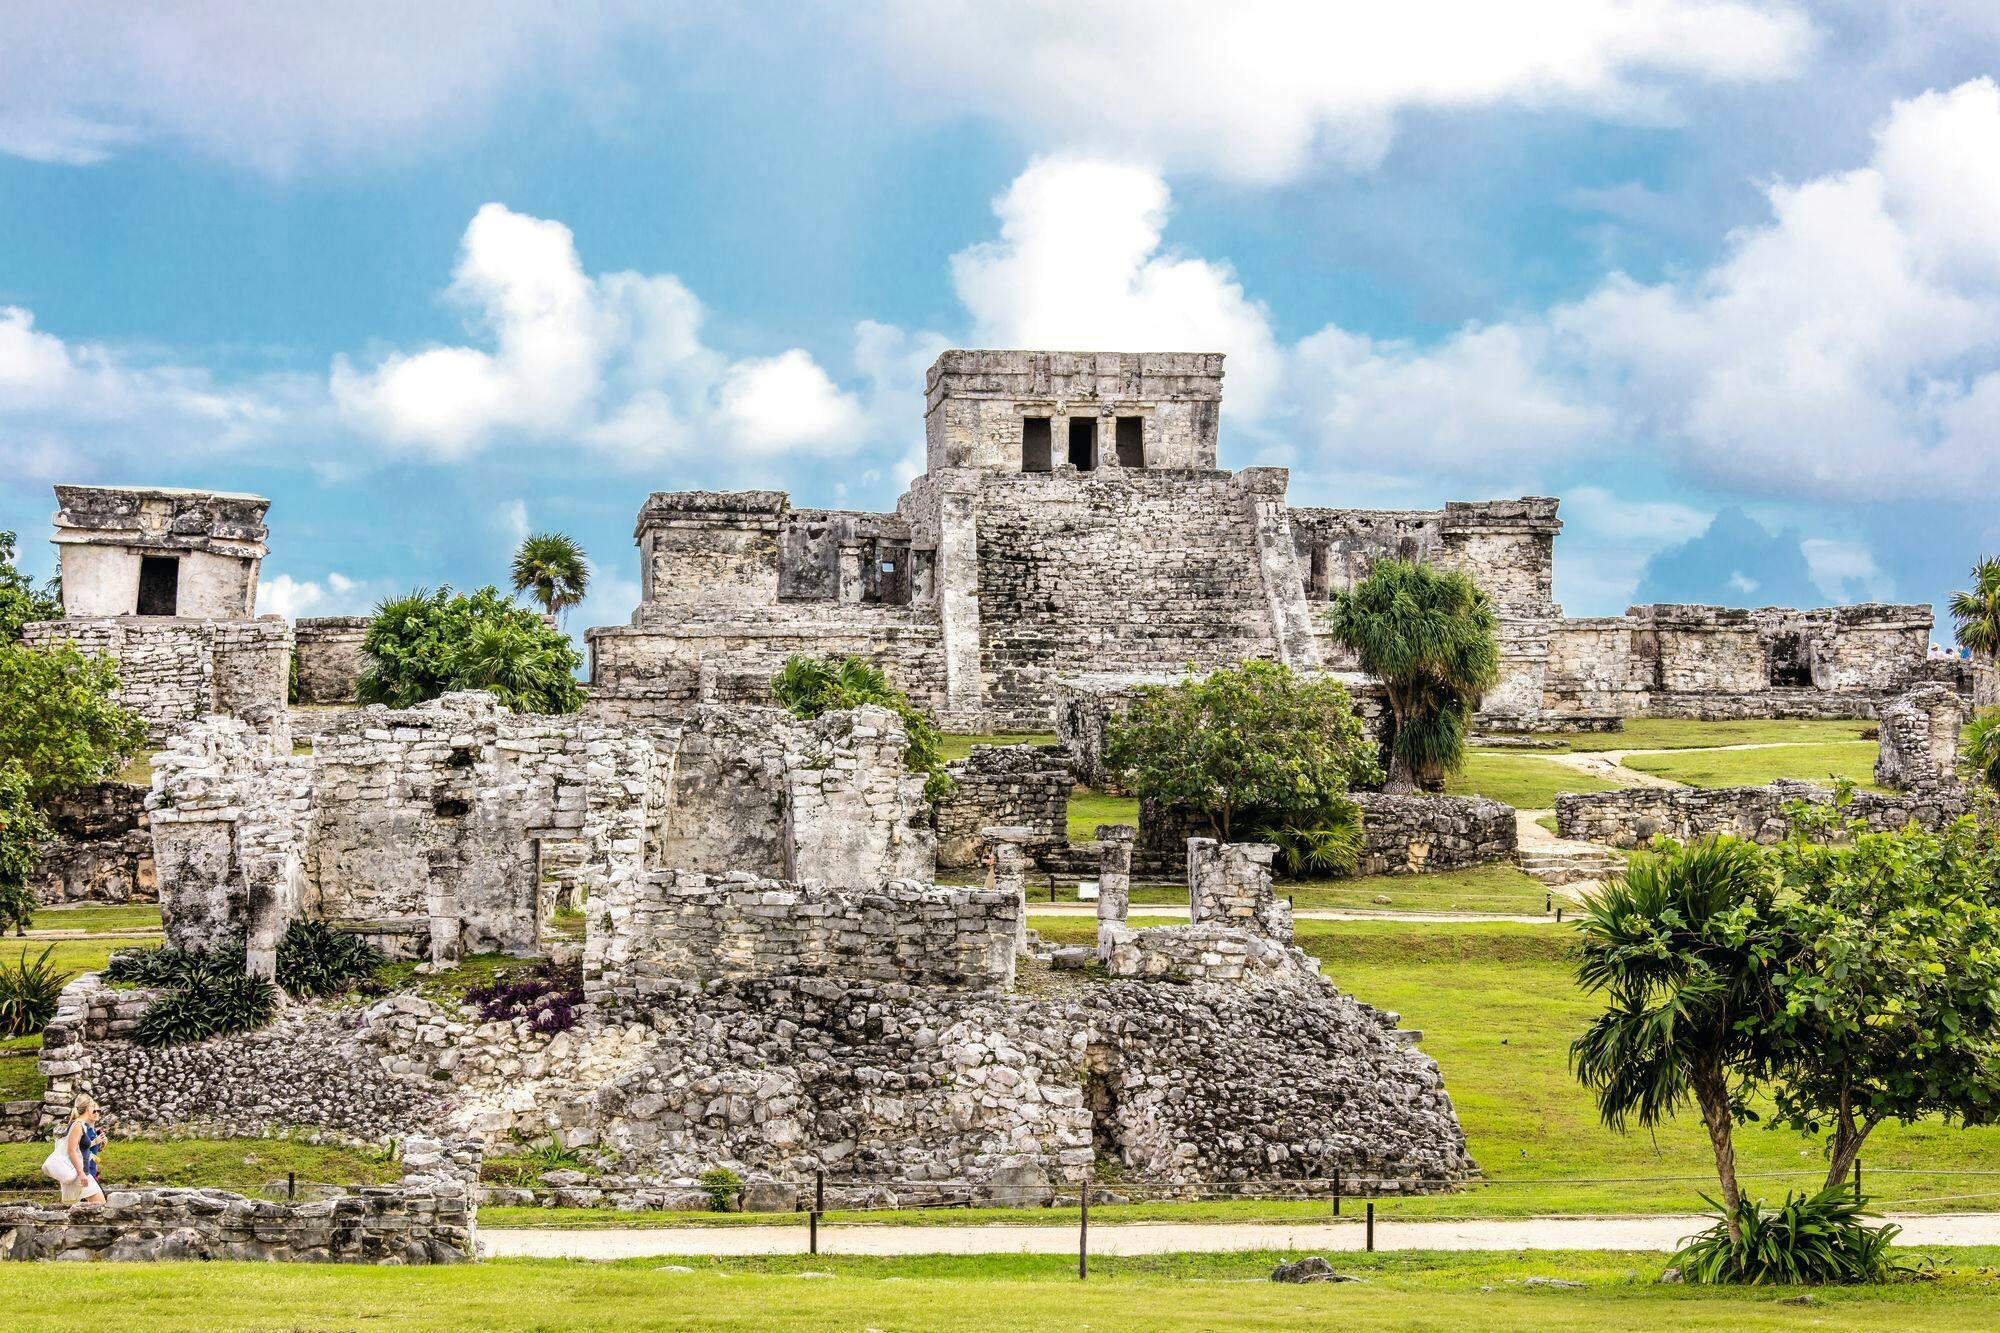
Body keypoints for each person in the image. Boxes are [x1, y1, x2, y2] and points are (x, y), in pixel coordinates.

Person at [61, 1094, 105, 1206]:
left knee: (97, 1207)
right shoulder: (77, 1125)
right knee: (100, 1205)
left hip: (84, 1172)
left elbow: (84, 1148)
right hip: (79, 1174)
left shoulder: (82, 1126)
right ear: (88, 1108)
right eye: (93, 1107)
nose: (95, 1110)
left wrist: (98, 1143)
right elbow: (71, 1150)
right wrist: (81, 1173)